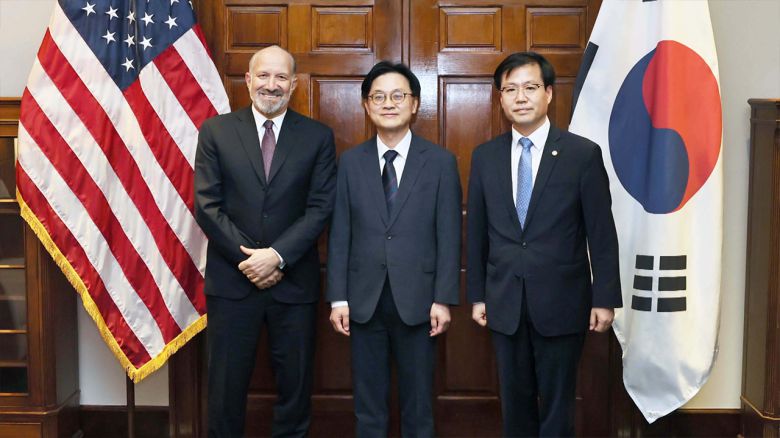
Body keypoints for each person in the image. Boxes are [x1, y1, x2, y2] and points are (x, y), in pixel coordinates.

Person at [466, 51, 622, 437]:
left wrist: (604, 298)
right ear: (501, 99)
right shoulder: (485, 157)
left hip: (562, 302)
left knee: (557, 408)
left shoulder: (581, 155)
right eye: (510, 89)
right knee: (515, 406)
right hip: (505, 301)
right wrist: (478, 295)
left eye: (530, 87)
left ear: (549, 93)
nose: (520, 97)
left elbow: (602, 233)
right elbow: (477, 232)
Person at [194, 45, 336, 438]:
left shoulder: (318, 137)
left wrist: (276, 256)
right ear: (248, 80)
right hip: (231, 283)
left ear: (294, 85)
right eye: (263, 75)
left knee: (295, 388)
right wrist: (251, 260)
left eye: (280, 77)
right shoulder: (216, 131)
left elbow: (320, 208)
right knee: (225, 389)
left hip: (294, 284)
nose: (271, 85)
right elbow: (207, 205)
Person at [326, 61, 462, 437]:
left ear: (414, 104)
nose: (389, 103)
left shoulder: (440, 162)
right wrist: (338, 299)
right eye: (379, 97)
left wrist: (444, 298)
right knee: (368, 407)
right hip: (363, 302)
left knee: (418, 405)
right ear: (366, 105)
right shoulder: (350, 162)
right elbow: (340, 233)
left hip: (420, 301)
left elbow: (449, 235)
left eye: (398, 96)